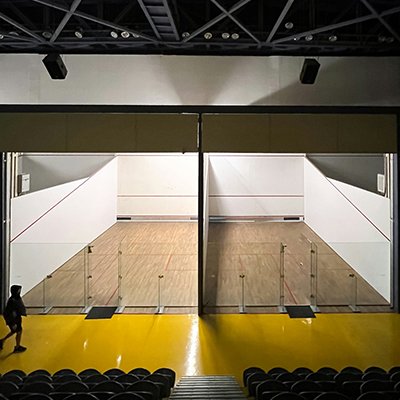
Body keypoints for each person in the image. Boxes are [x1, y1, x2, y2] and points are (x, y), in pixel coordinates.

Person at [0, 285, 27, 353]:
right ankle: (17, 347)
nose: (19, 291)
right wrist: (12, 323)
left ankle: (2, 341)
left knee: (15, 331)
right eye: (18, 290)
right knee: (18, 331)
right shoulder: (12, 301)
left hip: (17, 318)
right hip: (14, 320)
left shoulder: (16, 298)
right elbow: (9, 313)